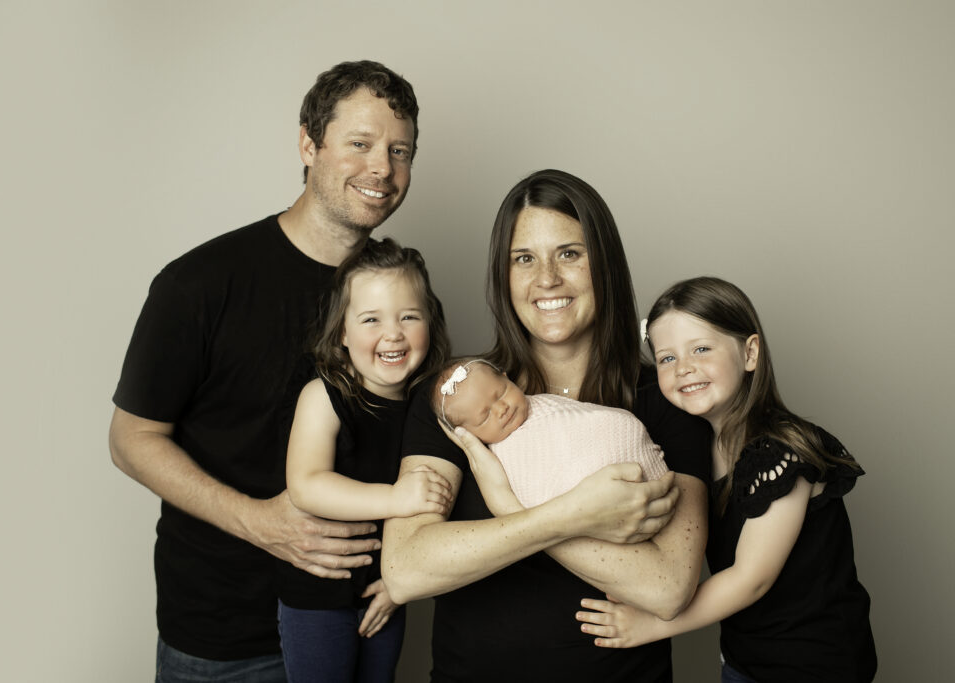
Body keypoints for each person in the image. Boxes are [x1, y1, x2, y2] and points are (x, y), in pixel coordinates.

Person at [108, 60, 420, 682]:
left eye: (400, 150)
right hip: (226, 638)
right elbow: (131, 440)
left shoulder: (399, 298)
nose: (382, 168)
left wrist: (409, 568)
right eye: (359, 144)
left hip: (360, 622)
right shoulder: (199, 283)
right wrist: (260, 523)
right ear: (309, 143)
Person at [382, 169, 713, 682]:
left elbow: (668, 588)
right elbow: (405, 568)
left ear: (603, 263)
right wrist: (569, 516)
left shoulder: (668, 398)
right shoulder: (458, 398)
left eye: (570, 253)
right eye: (524, 259)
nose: (547, 279)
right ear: (503, 275)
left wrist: (510, 510)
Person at [576, 276, 877, 683]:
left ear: (750, 353)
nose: (684, 368)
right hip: (747, 659)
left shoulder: (780, 448)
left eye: (701, 349)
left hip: (815, 664)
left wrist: (651, 624)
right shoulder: (696, 450)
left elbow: (752, 579)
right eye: (666, 358)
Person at [278, 238, 452, 683]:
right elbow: (307, 484)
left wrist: (401, 585)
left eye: (408, 317)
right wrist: (396, 498)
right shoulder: (323, 396)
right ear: (342, 332)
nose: (392, 334)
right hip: (319, 593)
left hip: (388, 588)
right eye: (371, 319)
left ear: (429, 322)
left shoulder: (431, 405)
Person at [433, 357, 669, 508]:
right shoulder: (499, 460)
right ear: (466, 434)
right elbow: (535, 503)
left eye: (502, 393)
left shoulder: (543, 405)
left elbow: (590, 419)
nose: (502, 409)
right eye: (485, 416)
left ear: (507, 378)